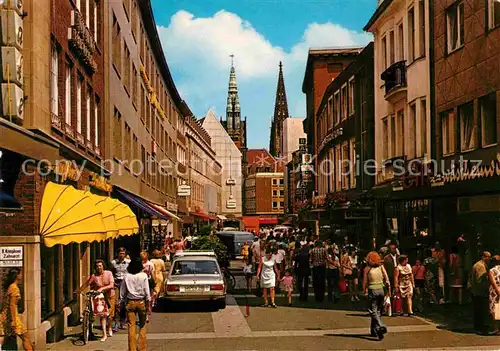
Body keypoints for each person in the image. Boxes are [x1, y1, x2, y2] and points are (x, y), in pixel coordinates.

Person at [77, 260, 115, 341]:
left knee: (110, 315)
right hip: (100, 297)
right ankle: (104, 334)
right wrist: (79, 290)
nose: (99, 267)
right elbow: (87, 283)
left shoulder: (109, 273)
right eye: (97, 266)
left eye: (100, 266)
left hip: (110, 296)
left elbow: (111, 285)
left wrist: (102, 288)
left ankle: (110, 327)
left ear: (103, 266)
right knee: (103, 315)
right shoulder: (94, 276)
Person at [120, 258, 151, 351]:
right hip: (141, 302)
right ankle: (141, 348)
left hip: (130, 302)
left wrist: (122, 301)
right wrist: (149, 305)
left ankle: (132, 349)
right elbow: (147, 292)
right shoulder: (144, 276)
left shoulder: (126, 276)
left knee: (131, 326)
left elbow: (122, 292)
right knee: (142, 325)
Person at [0, 268, 33, 351]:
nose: (22, 275)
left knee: (3, 337)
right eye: (21, 274)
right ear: (17, 276)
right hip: (12, 317)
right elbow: (12, 304)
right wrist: (14, 320)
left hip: (6, 316)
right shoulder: (14, 288)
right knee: (26, 338)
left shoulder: (11, 287)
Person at [363, 251, 390, 340]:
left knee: (373, 310)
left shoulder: (367, 269)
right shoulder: (381, 267)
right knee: (379, 310)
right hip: (381, 290)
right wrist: (388, 290)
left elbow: (365, 282)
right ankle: (375, 331)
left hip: (372, 289)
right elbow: (387, 280)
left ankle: (380, 326)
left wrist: (365, 290)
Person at [470, 251, 492, 335]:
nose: (489, 259)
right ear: (483, 257)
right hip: (479, 292)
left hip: (476, 291)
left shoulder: (478, 265)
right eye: (487, 257)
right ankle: (479, 327)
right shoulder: (480, 266)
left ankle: (478, 326)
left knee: (478, 310)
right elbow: (480, 280)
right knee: (479, 310)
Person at [111, 247, 131, 331]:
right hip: (116, 283)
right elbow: (111, 272)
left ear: (125, 254)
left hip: (125, 283)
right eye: (120, 253)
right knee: (116, 304)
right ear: (117, 254)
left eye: (123, 253)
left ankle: (122, 322)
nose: (121, 255)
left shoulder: (129, 262)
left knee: (124, 304)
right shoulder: (113, 263)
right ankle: (115, 323)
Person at [488, 255, 500, 334]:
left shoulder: (491, 270)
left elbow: (493, 282)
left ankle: (496, 328)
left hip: (494, 292)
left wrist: (497, 290)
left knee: (494, 310)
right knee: (499, 309)